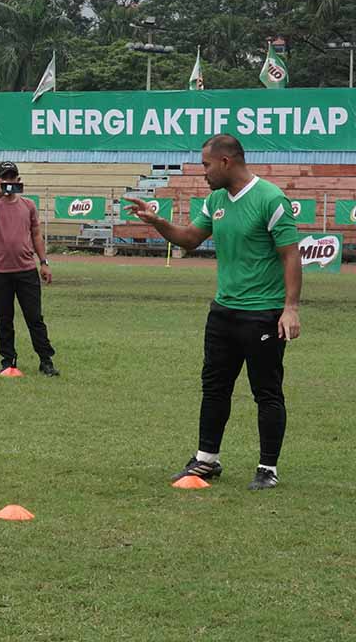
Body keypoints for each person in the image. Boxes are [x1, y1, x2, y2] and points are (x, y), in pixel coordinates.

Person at [126, 134, 301, 490]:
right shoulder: (216, 200)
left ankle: (268, 469)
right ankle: (207, 461)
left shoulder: (270, 199)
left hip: (262, 314)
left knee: (266, 392)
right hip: (223, 311)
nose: (202, 171)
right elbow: (190, 238)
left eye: (206, 164)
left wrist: (290, 309)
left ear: (226, 162)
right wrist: (156, 222)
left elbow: (290, 255)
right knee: (214, 387)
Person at [0, 161, 58, 378]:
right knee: (5, 319)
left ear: (19, 181)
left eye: (12, 178)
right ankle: (8, 361)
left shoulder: (28, 205)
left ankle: (45, 360)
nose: (8, 182)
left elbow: (36, 233)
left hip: (26, 270)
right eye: (4, 178)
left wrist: (44, 262)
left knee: (34, 317)